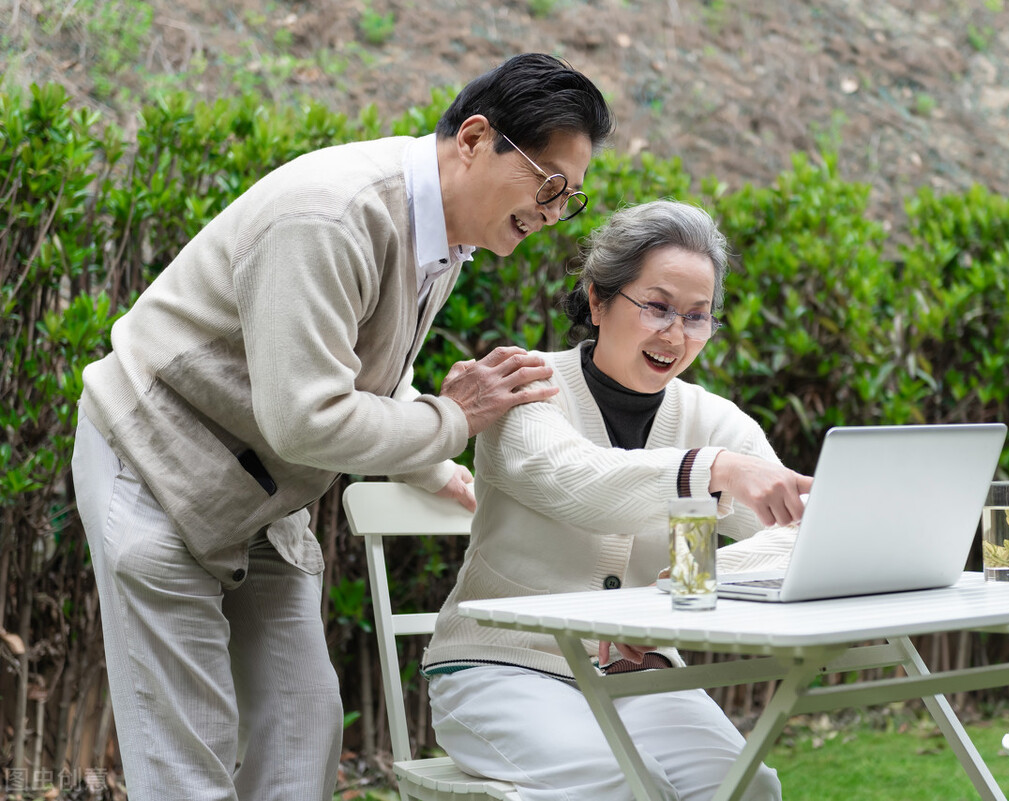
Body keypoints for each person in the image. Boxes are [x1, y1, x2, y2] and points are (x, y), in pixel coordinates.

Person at [70, 53, 613, 801]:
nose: (552, 213)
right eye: (548, 184)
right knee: (185, 755)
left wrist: (432, 467)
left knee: (304, 722)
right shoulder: (332, 215)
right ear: (476, 138)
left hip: (259, 490)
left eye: (569, 199)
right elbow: (306, 418)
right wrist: (452, 420)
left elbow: (367, 376)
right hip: (156, 458)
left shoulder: (445, 234)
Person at [422, 200, 813, 801]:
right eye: (656, 307)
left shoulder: (714, 421)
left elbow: (796, 538)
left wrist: (670, 592)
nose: (676, 335)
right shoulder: (525, 391)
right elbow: (577, 482)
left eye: (697, 316)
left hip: (641, 675)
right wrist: (715, 471)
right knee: (626, 787)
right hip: (502, 668)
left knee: (748, 786)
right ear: (598, 300)